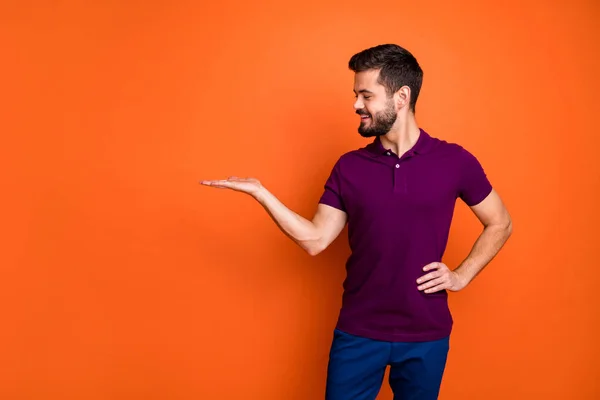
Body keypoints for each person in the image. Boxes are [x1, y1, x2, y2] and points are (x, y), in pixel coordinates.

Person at [200, 44, 512, 400]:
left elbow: (500, 222)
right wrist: (261, 193)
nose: (355, 105)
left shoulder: (455, 161)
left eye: (366, 95)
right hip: (359, 331)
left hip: (427, 333)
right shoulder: (349, 167)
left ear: (401, 97)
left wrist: (461, 275)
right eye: (355, 95)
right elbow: (316, 239)